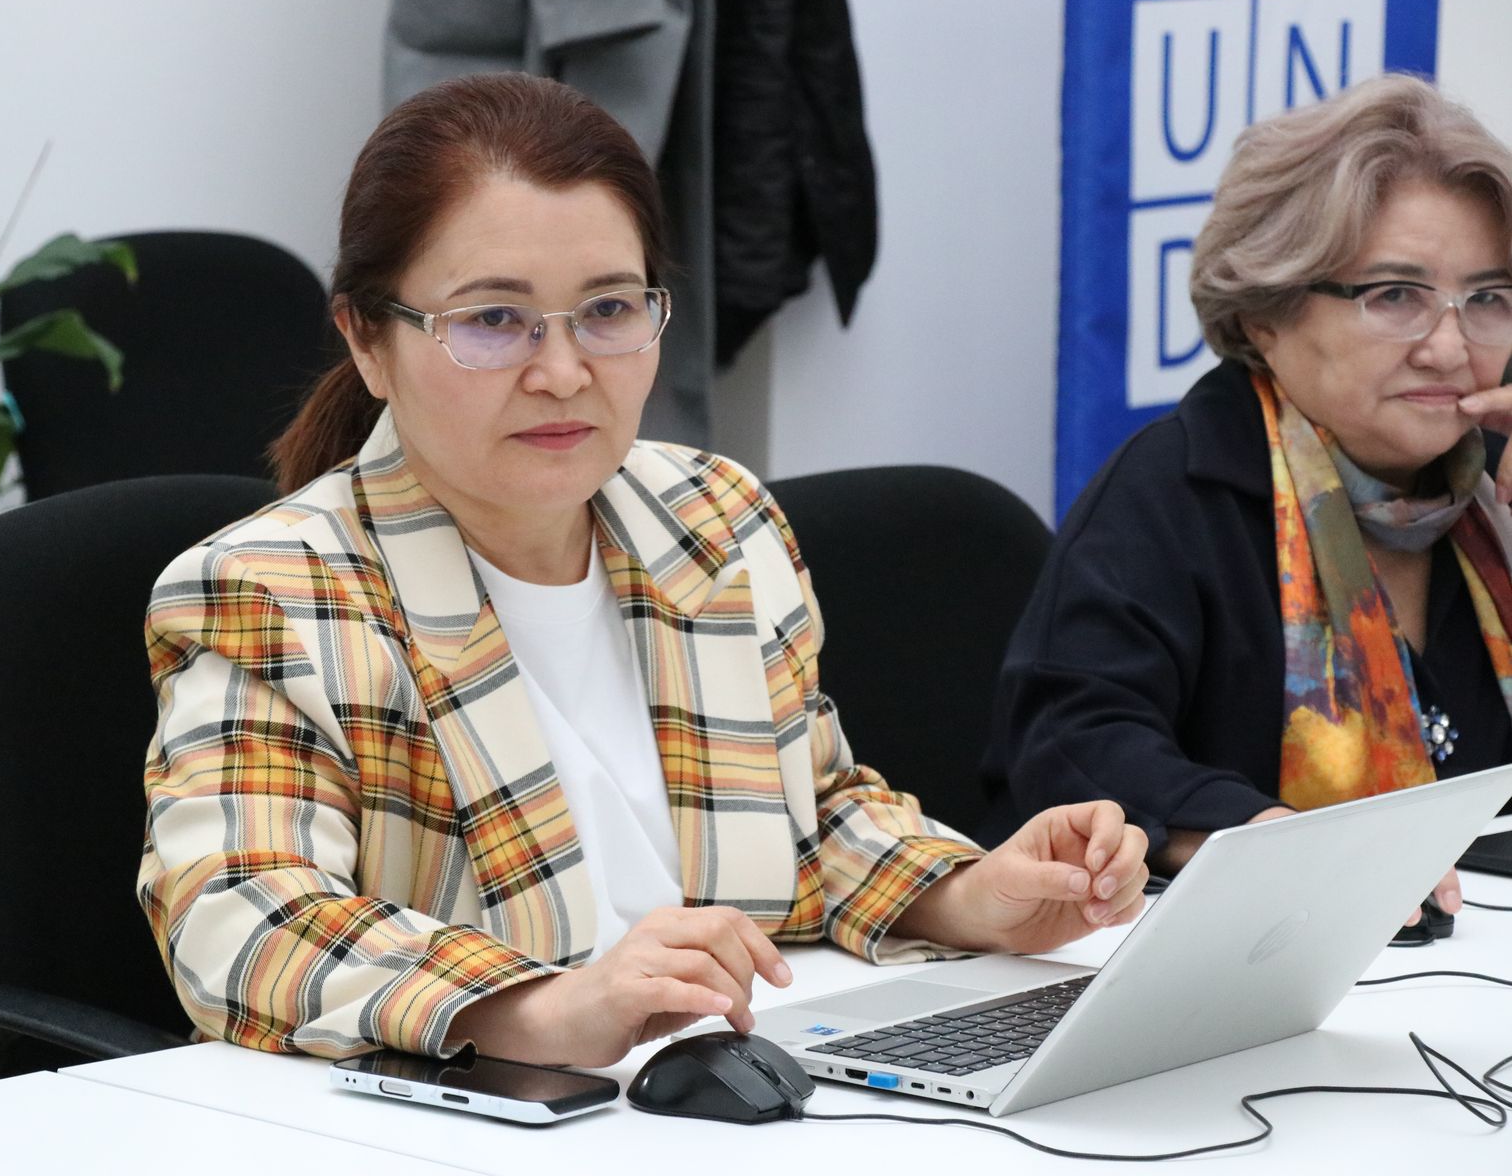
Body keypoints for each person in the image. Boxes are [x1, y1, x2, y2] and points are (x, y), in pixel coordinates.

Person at [139, 72, 1146, 1070]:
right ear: (367, 340)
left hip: (736, 1067)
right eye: (493, 320)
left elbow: (811, 815)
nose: (563, 372)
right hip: (482, 1107)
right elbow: (242, 919)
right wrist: (542, 1009)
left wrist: (974, 896)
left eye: (609, 309)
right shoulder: (273, 589)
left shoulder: (715, 517)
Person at [979, 75, 1512, 927]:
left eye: (1487, 299)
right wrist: (1272, 841)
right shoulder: (1176, 489)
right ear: (1269, 312)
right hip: (1254, 956)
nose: (1449, 347)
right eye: (1395, 296)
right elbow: (1074, 744)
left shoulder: (1495, 483)